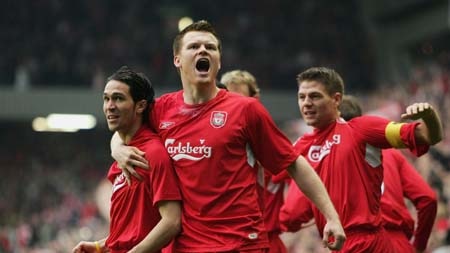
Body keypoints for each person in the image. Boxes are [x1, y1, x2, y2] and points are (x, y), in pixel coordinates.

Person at [111, 20, 346, 252]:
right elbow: (125, 128)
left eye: (210, 47)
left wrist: (332, 217)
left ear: (219, 61)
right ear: (177, 60)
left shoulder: (245, 110)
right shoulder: (160, 110)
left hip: (240, 243)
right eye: (194, 46)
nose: (203, 50)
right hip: (186, 246)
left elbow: (294, 164)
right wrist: (117, 148)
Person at [277, 66, 442, 252]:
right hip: (344, 244)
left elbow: (428, 136)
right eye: (301, 97)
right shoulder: (301, 148)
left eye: (314, 96)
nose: (306, 103)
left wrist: (429, 115)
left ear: (336, 99)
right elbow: (266, 176)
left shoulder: (362, 129)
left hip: (369, 242)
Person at [72, 66, 182, 253]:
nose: (110, 106)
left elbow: (172, 221)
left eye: (118, 98)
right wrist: (101, 246)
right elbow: (135, 230)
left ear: (140, 106)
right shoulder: (123, 156)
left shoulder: (153, 154)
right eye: (106, 99)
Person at [220, 70, 287, 253]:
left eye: (239, 97)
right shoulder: (215, 149)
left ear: (255, 98)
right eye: (228, 97)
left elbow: (307, 172)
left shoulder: (273, 146)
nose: (233, 104)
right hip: (222, 238)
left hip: (262, 240)